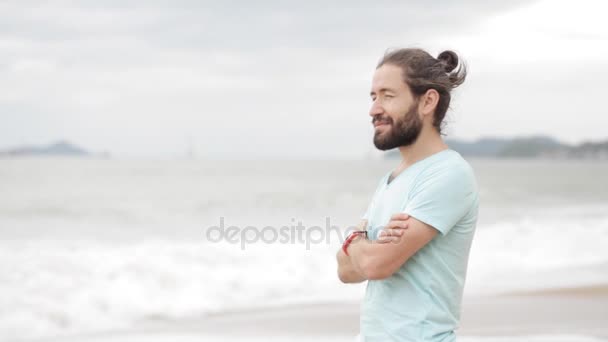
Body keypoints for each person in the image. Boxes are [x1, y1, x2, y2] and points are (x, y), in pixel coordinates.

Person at [336, 48, 480, 341]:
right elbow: (344, 270)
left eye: (388, 96)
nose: (374, 109)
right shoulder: (391, 179)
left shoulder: (449, 174)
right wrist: (362, 244)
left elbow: (376, 264)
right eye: (373, 96)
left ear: (427, 101)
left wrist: (358, 241)